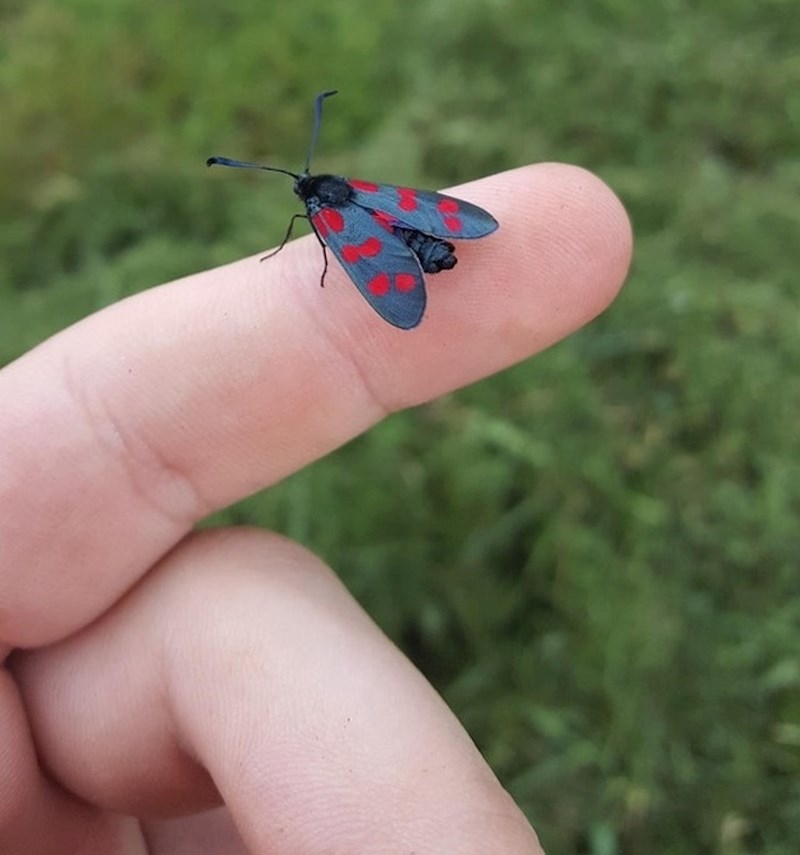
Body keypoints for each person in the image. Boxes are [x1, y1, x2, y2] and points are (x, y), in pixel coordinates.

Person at [0, 164, 631, 854]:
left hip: (390, 248)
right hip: (408, 229)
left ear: (307, 205)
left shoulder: (324, 218)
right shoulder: (351, 197)